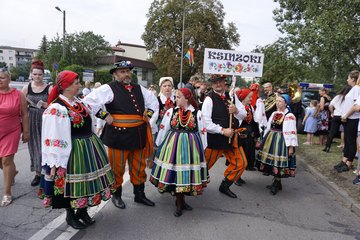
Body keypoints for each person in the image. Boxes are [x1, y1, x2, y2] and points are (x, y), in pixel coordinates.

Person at [39, 70, 114, 229]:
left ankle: (82, 210)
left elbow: (92, 112)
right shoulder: (57, 108)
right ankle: (70, 215)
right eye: (76, 83)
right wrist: (53, 161)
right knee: (70, 185)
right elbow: (52, 136)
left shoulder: (79, 102)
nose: (79, 85)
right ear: (66, 86)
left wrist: (105, 115)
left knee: (86, 183)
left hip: (89, 147)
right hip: (71, 151)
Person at [83, 60, 159, 209]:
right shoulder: (108, 88)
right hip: (118, 135)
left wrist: (147, 115)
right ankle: (116, 195)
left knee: (139, 166)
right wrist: (104, 115)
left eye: (128, 71)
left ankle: (139, 195)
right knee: (117, 168)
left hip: (138, 134)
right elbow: (88, 102)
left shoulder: (139, 88)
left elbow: (154, 103)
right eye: (123, 72)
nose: (126, 74)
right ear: (115, 74)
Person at [150, 88, 208, 217]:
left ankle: (181, 201)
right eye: (176, 97)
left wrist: (202, 149)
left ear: (187, 98)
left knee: (186, 174)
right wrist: (158, 145)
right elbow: (164, 128)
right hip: (173, 146)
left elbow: (202, 132)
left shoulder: (197, 113)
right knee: (175, 173)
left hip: (191, 147)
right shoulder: (171, 112)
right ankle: (179, 201)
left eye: (178, 97)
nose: (176, 99)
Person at [201, 74, 247, 198]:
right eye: (215, 82)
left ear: (224, 83)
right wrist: (222, 130)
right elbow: (206, 123)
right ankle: (190, 186)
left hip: (232, 139)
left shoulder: (232, 97)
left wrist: (236, 110)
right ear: (212, 84)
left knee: (241, 163)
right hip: (215, 140)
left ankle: (225, 185)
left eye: (220, 81)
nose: (218, 84)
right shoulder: (209, 99)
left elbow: (244, 114)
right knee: (203, 166)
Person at [257, 94, 298, 195]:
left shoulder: (289, 116)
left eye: (280, 101)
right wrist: (263, 139)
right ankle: (277, 182)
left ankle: (276, 183)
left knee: (278, 163)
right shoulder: (275, 113)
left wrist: (291, 147)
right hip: (271, 139)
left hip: (281, 141)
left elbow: (291, 132)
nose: (277, 102)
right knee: (272, 162)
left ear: (286, 103)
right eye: (277, 101)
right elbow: (268, 127)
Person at [0, 68, 29, 206]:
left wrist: (26, 131)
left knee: (6, 160)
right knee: (3, 162)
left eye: (2, 77)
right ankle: (12, 172)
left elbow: (24, 114)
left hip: (11, 130)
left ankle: (7, 193)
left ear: (9, 79)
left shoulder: (18, 94)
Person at [22, 60, 52, 186]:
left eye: (40, 74)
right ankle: (37, 173)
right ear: (31, 74)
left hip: (45, 119)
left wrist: (47, 105)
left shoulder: (49, 88)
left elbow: (55, 104)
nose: (37, 77)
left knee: (45, 146)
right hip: (32, 118)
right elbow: (22, 106)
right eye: (35, 74)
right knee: (34, 146)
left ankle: (47, 172)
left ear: (43, 75)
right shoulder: (26, 87)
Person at [335, 70, 360, 173]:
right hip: (348, 118)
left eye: (348, 78)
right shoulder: (353, 88)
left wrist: (346, 115)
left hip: (353, 118)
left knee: (351, 141)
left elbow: (355, 106)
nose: (347, 79)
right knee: (346, 140)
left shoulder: (357, 89)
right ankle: (344, 159)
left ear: (353, 79)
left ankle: (349, 162)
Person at [235, 88, 260, 171]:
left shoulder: (250, 107)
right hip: (241, 134)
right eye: (249, 97)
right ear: (243, 97)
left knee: (250, 150)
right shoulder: (238, 107)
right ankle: (237, 176)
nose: (251, 99)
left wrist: (256, 133)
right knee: (240, 154)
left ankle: (249, 165)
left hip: (250, 133)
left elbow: (254, 120)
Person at [323, 85, 352, 152]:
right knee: (346, 132)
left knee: (332, 132)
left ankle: (327, 147)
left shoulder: (337, 97)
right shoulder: (349, 97)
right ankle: (345, 148)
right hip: (345, 116)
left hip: (336, 116)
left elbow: (330, 106)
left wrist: (332, 113)